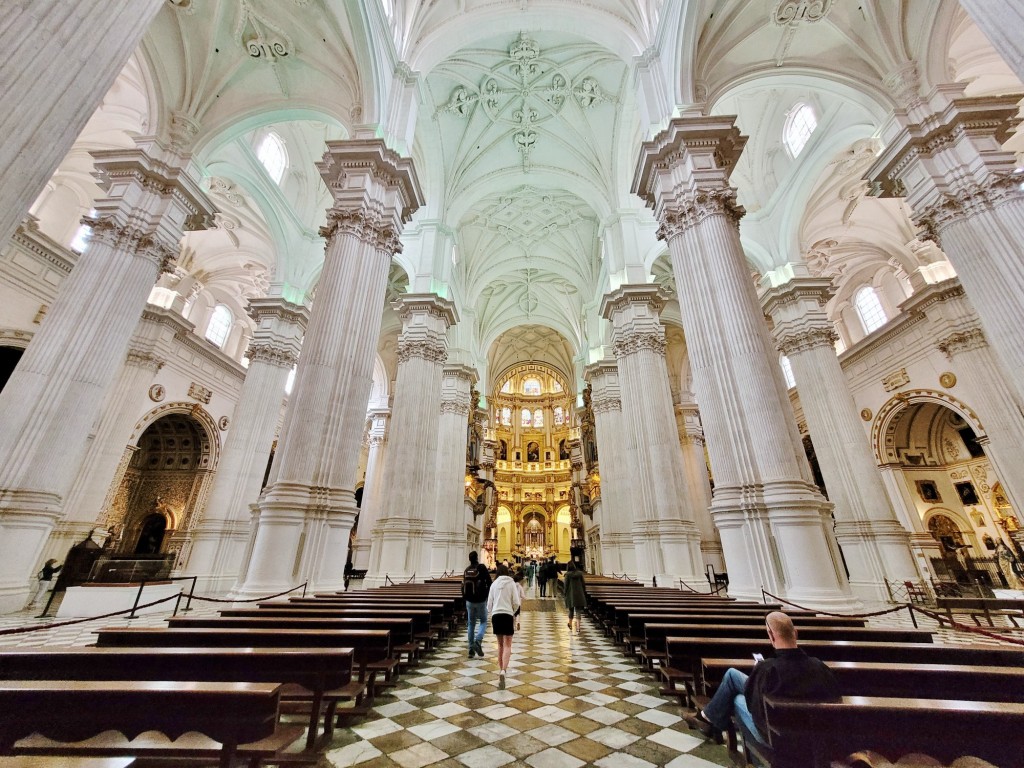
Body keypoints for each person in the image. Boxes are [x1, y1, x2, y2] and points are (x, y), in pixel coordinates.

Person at [685, 612, 839, 746]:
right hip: (816, 737)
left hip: (775, 736)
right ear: (796, 633)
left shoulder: (767, 669)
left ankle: (747, 754)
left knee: (737, 697)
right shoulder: (819, 666)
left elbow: (754, 705)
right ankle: (707, 718)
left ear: (771, 635)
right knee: (733, 676)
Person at [486, 563, 521, 689]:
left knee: (500, 644)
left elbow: (489, 603)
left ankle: (500, 669)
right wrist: (512, 612)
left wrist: (492, 611)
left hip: (496, 615)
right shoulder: (511, 583)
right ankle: (503, 671)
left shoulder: (494, 584)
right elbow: (516, 602)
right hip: (507, 614)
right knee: (508, 644)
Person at [462, 550, 492, 658]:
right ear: (477, 557)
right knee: (483, 621)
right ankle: (478, 641)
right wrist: (487, 595)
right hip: (480, 600)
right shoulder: (482, 568)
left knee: (471, 624)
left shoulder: (466, 570)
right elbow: (489, 582)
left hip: (469, 601)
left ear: (469, 559)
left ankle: (471, 648)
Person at [563, 560, 586, 634]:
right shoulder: (580, 574)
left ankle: (570, 624)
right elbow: (583, 584)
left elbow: (565, 586)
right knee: (578, 611)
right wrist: (583, 592)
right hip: (579, 594)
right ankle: (578, 627)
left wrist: (565, 593)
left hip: (571, 595)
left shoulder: (567, 575)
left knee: (571, 610)